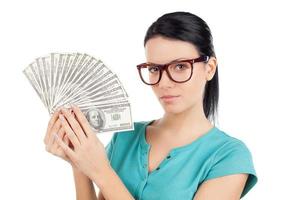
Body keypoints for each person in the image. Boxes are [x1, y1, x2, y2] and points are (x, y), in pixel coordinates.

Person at [43, 11, 258, 200]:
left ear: (209, 68)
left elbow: (104, 176)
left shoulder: (229, 156)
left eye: (181, 66)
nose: (164, 82)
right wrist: (79, 164)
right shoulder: (126, 137)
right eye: (154, 69)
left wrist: (102, 172)